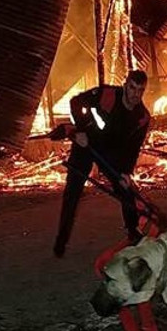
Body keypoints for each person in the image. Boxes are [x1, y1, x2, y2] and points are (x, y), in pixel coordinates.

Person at [51, 70, 151, 257]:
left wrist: (126, 173)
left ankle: (133, 233)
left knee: (126, 191)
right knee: (73, 192)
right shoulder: (108, 95)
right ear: (125, 85)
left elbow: (133, 149)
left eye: (140, 90)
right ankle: (61, 240)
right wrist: (81, 130)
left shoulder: (142, 117)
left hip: (110, 152)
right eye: (132, 88)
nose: (135, 94)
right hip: (87, 142)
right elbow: (76, 102)